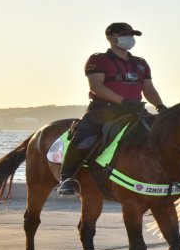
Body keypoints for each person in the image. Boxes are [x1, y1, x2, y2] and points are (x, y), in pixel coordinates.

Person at [57, 22, 169, 196]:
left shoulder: (140, 63)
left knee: (161, 135)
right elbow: (96, 87)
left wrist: (161, 107)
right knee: (84, 137)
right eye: (125, 35)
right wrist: (123, 101)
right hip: (103, 111)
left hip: (135, 111)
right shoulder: (98, 59)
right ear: (111, 37)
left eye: (132, 35)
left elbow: (149, 89)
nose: (130, 39)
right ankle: (66, 177)